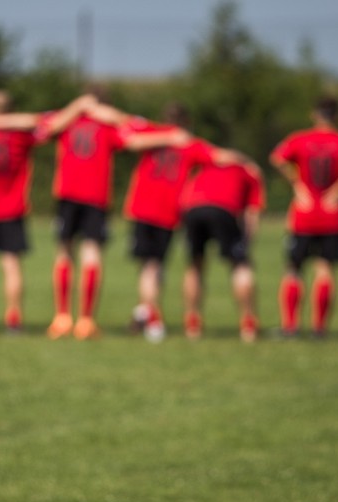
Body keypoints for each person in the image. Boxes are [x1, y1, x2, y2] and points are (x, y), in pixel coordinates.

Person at [0, 90, 96, 332]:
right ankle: (14, 318)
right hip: (13, 209)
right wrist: (79, 104)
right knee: (11, 265)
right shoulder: (22, 135)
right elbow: (51, 123)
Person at [122, 103, 235, 342]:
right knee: (155, 266)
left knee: (149, 267)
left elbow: (130, 140)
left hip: (144, 209)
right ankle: (147, 313)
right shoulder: (186, 143)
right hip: (166, 212)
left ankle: (149, 316)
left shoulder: (153, 134)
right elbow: (219, 157)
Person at [269, 96, 338, 338]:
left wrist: (297, 184)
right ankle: (319, 328)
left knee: (293, 268)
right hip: (332, 214)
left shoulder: (300, 139)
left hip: (303, 213)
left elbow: (277, 158)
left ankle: (290, 326)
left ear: (314, 114)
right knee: (324, 269)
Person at [43, 89, 131, 340]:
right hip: (95, 195)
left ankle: (62, 317)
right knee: (90, 253)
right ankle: (85, 320)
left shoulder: (69, 121)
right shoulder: (108, 125)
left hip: (68, 194)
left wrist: (78, 107)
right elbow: (132, 128)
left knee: (64, 251)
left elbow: (48, 128)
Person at [180, 157, 265, 342]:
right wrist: (246, 244)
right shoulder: (250, 171)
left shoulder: (205, 164)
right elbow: (252, 213)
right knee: (240, 266)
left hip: (193, 210)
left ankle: (192, 322)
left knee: (195, 264)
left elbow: (184, 194)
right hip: (223, 210)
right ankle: (248, 323)